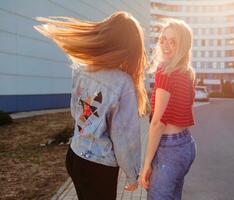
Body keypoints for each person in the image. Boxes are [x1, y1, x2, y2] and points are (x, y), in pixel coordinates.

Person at [34, 11, 149, 200]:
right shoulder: (123, 82)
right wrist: (131, 173)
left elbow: (75, 110)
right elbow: (124, 136)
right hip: (99, 167)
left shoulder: (83, 68)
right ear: (130, 47)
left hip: (74, 156)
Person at [140, 18, 197, 200]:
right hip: (186, 145)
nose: (166, 45)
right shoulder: (188, 72)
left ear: (183, 46)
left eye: (173, 41)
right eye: (163, 39)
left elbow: (158, 123)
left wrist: (147, 163)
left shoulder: (164, 70)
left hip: (169, 149)